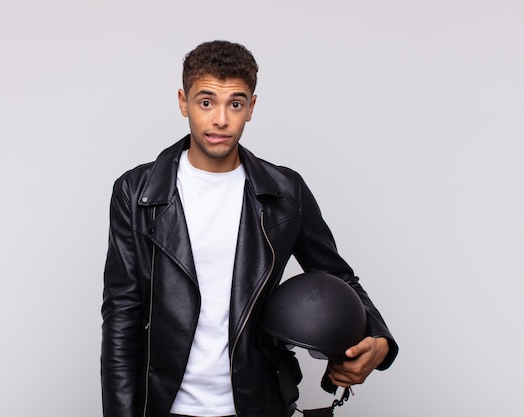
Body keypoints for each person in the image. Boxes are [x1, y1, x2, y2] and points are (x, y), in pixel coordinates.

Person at [101, 40, 398, 417]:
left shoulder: (285, 192)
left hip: (258, 403)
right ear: (183, 102)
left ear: (251, 108)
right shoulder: (137, 191)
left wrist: (379, 339)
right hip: (163, 404)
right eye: (206, 102)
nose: (221, 119)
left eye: (235, 104)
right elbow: (122, 314)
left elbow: (338, 278)